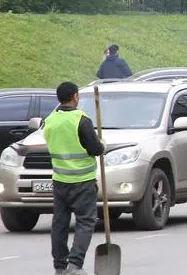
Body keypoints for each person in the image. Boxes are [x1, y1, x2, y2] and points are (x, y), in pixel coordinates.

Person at [45, 82, 105, 275]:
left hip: (60, 181)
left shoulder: (50, 120)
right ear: (76, 97)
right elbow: (95, 149)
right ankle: (75, 265)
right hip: (83, 181)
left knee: (60, 224)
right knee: (85, 222)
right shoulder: (81, 120)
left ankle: (60, 266)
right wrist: (101, 144)